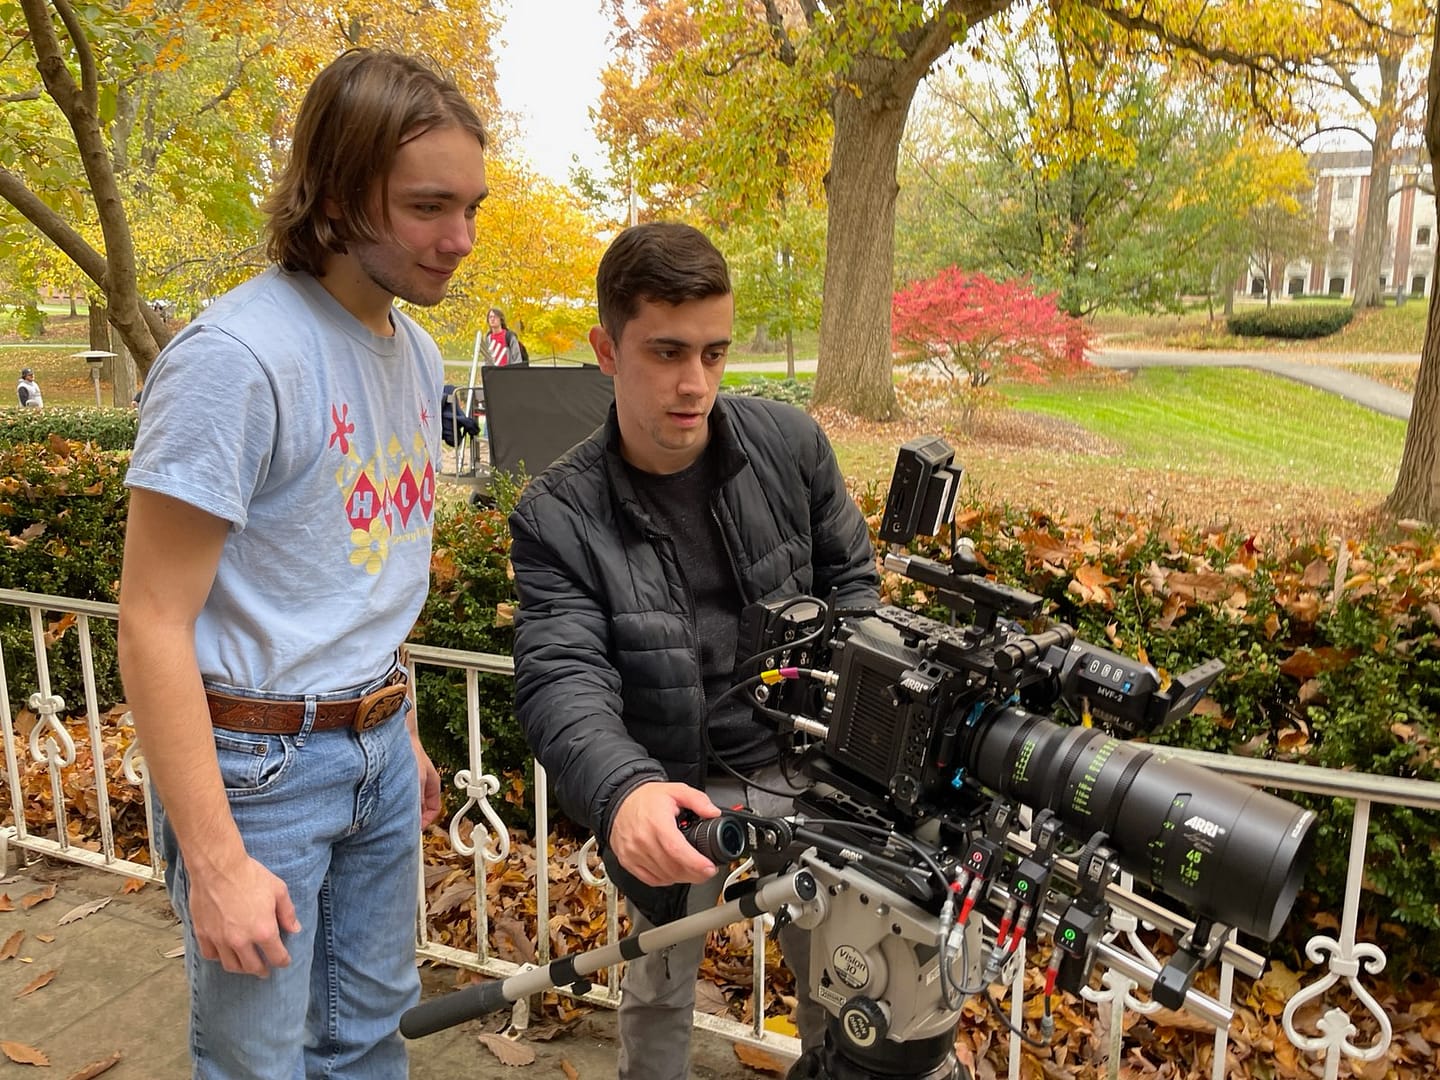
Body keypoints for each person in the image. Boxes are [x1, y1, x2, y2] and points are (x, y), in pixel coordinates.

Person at [116, 48, 488, 1079]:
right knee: (259, 1066)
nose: (459, 240)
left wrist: (392, 718)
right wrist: (217, 857)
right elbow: (150, 616)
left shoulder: (411, 350)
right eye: (427, 207)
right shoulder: (237, 359)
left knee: (372, 1043)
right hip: (254, 774)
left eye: (471, 206)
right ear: (332, 195)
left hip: (372, 752)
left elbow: (354, 577)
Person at [508, 221, 879, 1080]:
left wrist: (855, 737)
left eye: (715, 353)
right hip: (668, 786)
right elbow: (563, 678)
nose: (695, 383)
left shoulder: (791, 448)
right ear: (606, 348)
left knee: (840, 981)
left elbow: (855, 587)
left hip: (808, 773)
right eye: (668, 352)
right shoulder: (559, 516)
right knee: (657, 979)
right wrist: (623, 789)